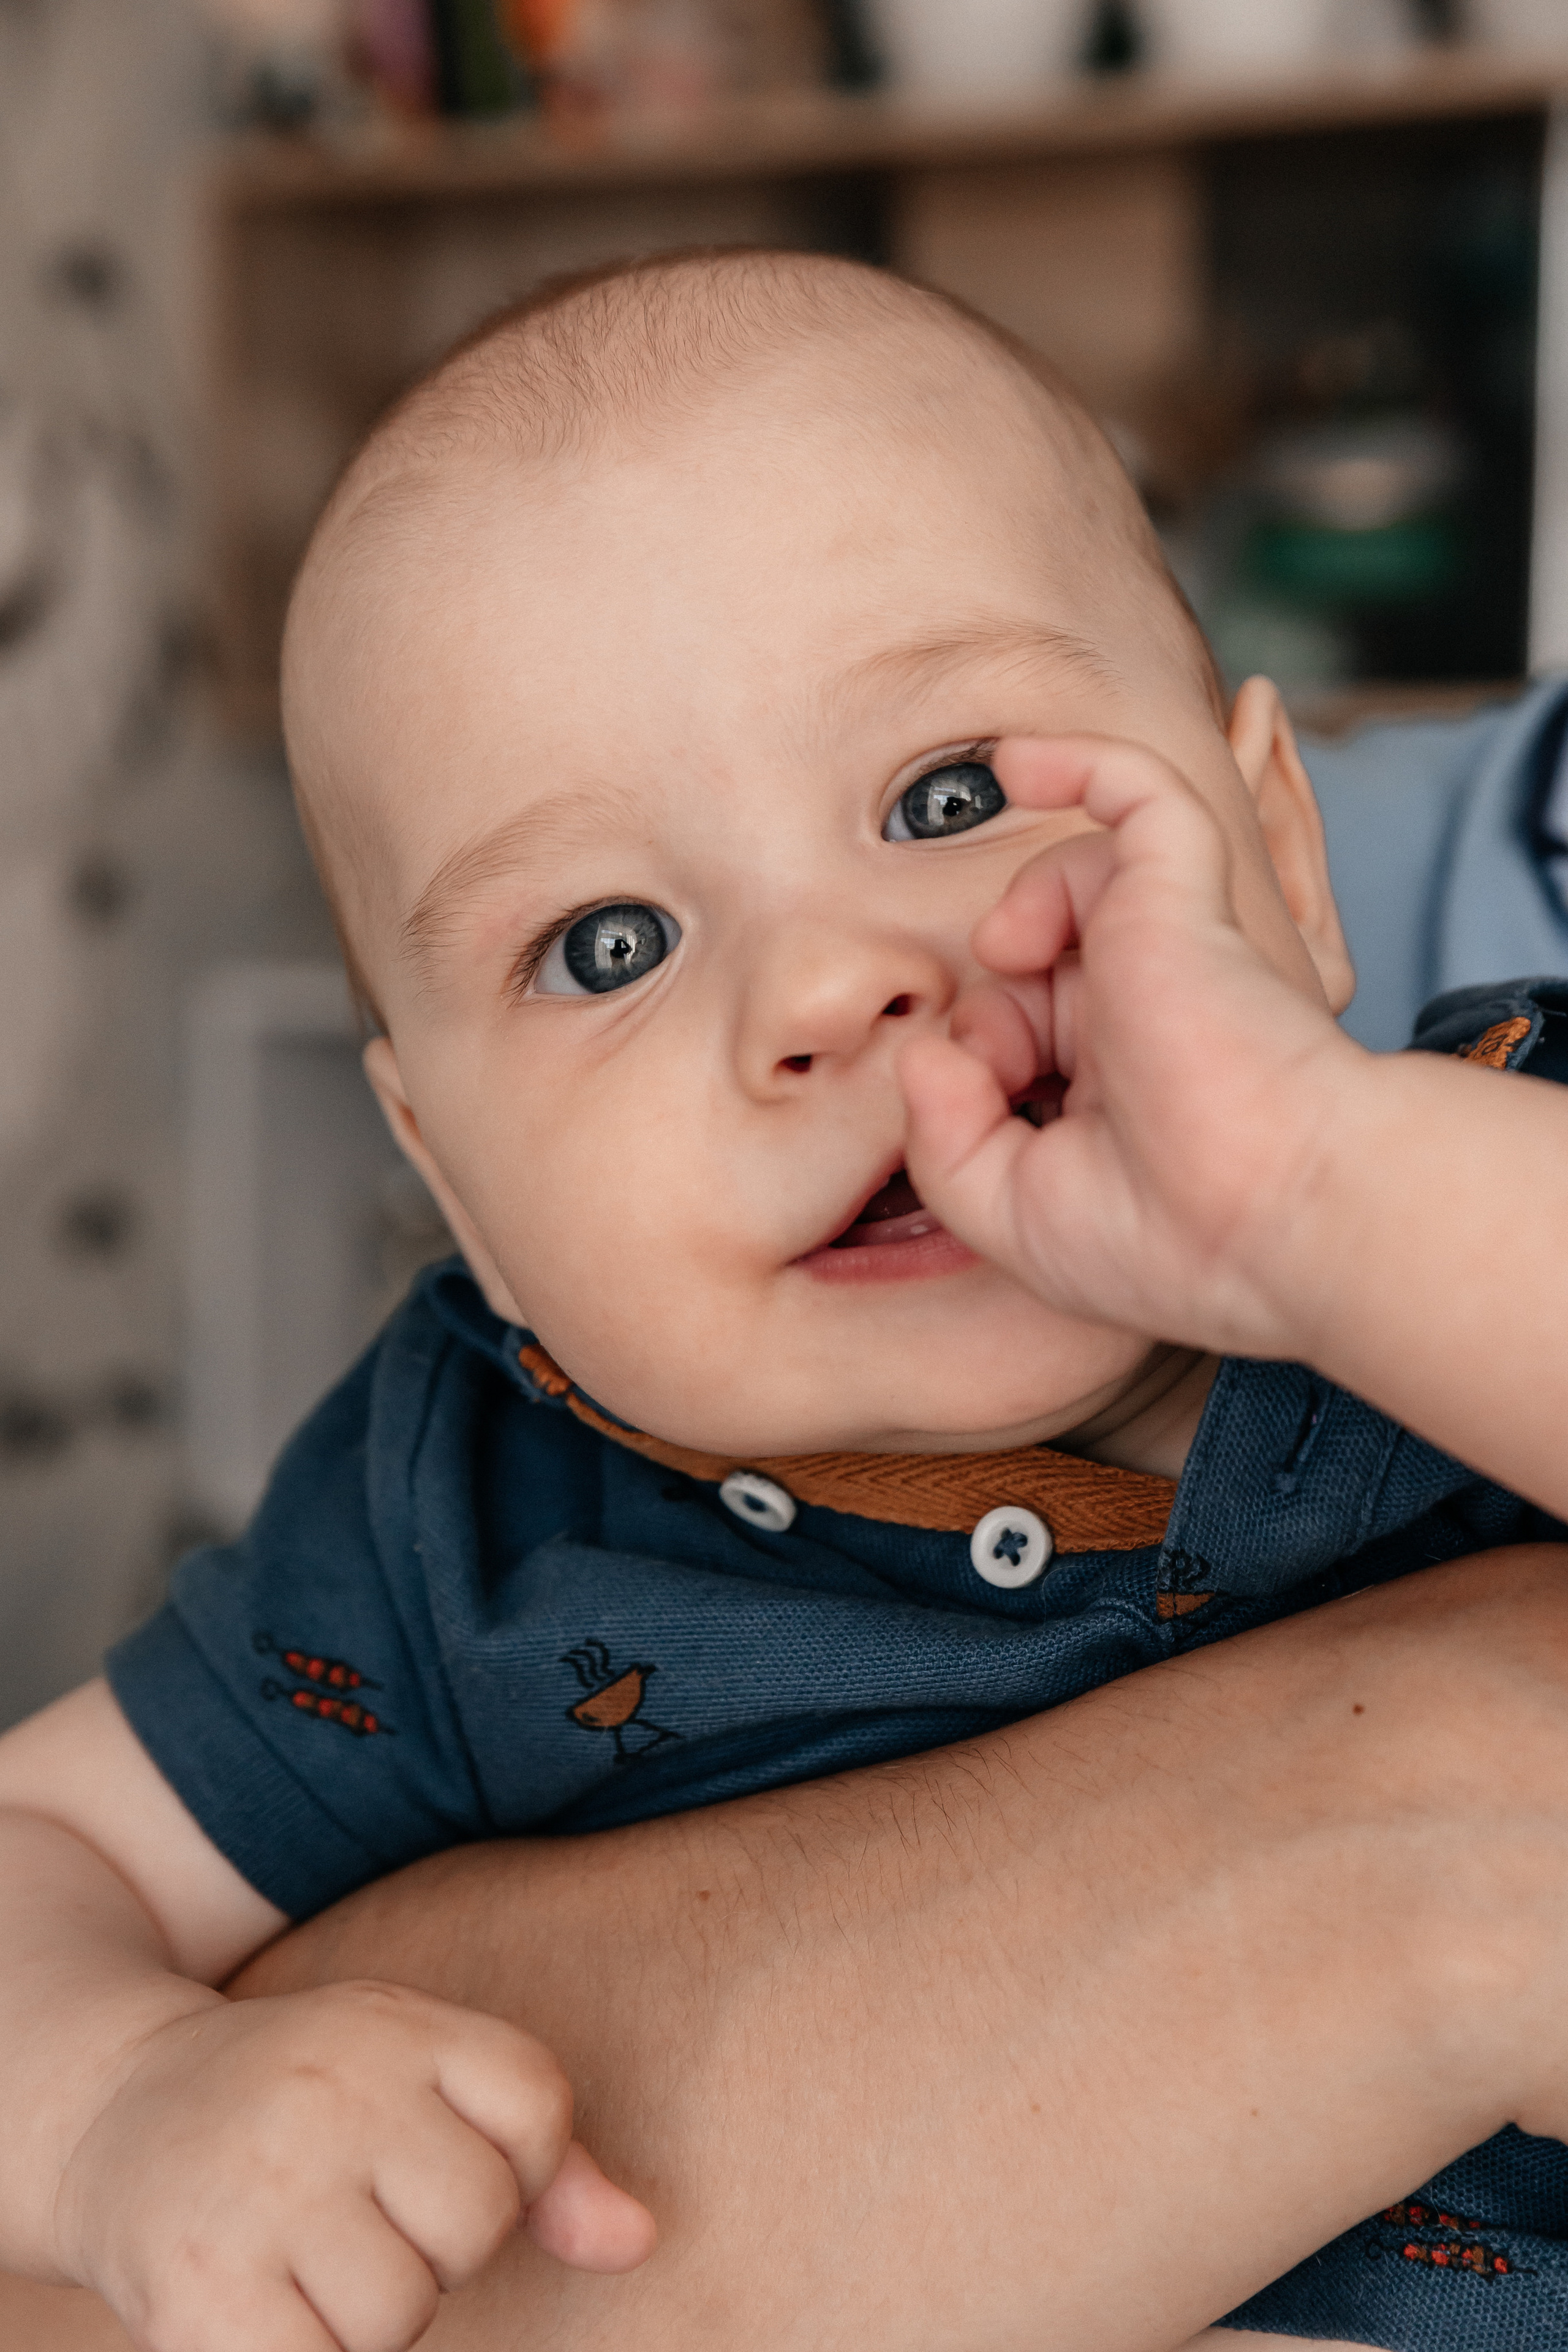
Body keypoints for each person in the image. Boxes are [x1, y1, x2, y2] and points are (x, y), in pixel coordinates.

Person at [6, 246, 1568, 2352]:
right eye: (608, 944)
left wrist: (1315, 1187)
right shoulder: (458, 1515)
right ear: (446, 1171)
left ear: (1283, 860)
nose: (831, 988)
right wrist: (119, 2103)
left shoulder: (1489, 1168)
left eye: (947, 798)